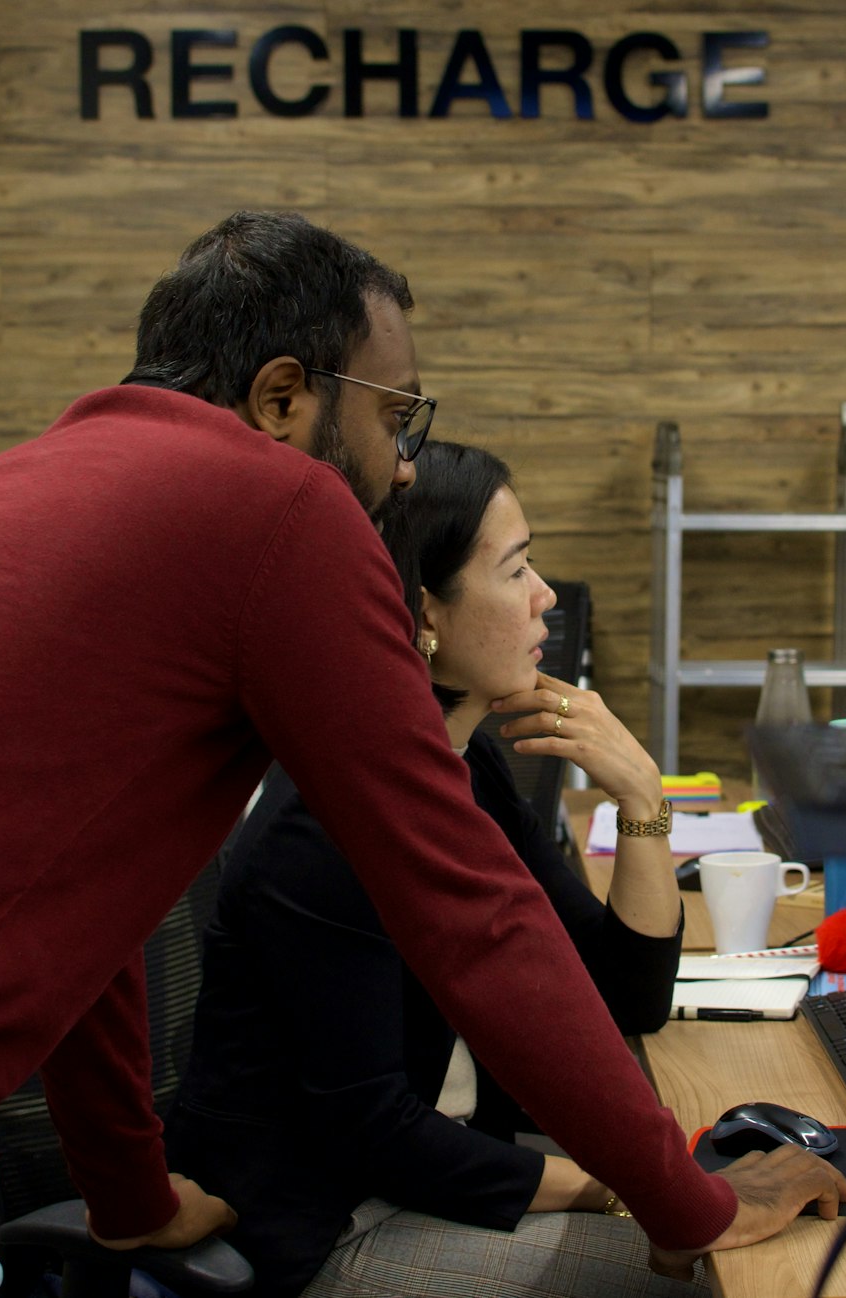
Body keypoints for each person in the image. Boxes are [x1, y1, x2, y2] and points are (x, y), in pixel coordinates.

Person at [0, 211, 846, 1291]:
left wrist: (128, 1195)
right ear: (283, 398)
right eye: (399, 416)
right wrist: (688, 1199)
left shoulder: (32, 482)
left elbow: (77, 907)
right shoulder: (278, 502)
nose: (406, 469)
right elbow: (469, 910)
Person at [165, 439, 710, 1297]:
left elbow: (624, 1000)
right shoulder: (323, 824)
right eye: (517, 569)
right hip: (329, 1228)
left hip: (443, 1179)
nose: (546, 599)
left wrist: (642, 797)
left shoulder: (469, 770)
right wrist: (621, 1190)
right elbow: (371, 1128)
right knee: (709, 1273)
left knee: (718, 1219)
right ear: (422, 614)